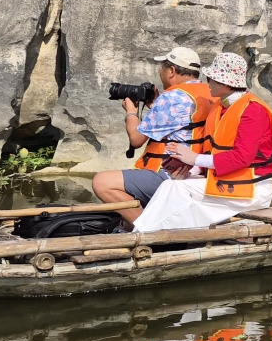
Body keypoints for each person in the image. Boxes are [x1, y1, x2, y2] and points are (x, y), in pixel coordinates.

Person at [132, 52, 272, 232]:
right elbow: (215, 151)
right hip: (233, 180)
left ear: (225, 84)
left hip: (254, 187)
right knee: (171, 185)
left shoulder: (253, 111)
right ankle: (144, 232)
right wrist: (191, 170)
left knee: (177, 190)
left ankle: (141, 234)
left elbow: (241, 158)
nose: (208, 82)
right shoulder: (221, 106)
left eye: (211, 78)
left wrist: (194, 159)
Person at [92, 47, 214, 224]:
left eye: (162, 67)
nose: (160, 72)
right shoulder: (209, 92)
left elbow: (136, 140)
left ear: (171, 71)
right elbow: (186, 124)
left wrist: (131, 112)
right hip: (200, 168)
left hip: (172, 173)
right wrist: (155, 106)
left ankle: (147, 229)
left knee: (102, 182)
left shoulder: (171, 98)